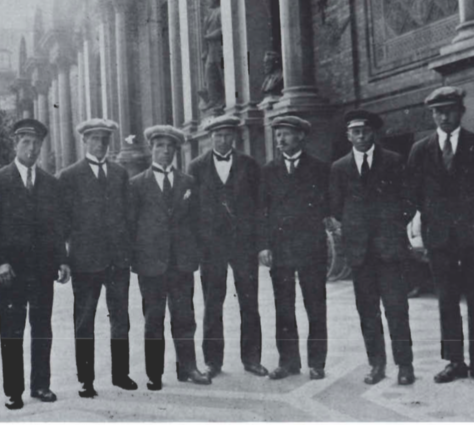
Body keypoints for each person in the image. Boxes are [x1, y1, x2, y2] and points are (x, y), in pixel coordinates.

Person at [406, 86, 474, 385]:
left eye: (449, 111)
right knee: (446, 299)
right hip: (439, 238)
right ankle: (454, 361)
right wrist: (426, 220)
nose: (444, 117)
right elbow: (411, 192)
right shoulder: (420, 150)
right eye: (438, 112)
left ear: (461, 112)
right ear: (432, 115)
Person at [0, 119, 71, 410]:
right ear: (15, 144)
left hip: (42, 270)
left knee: (42, 328)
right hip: (10, 272)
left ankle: (41, 385)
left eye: (36, 144)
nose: (31, 149)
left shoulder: (50, 183)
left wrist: (62, 260)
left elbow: (56, 227)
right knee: (12, 329)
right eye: (26, 142)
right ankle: (13, 390)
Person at [330, 109, 415, 386]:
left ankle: (405, 365)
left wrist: (393, 225)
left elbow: (408, 199)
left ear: (373, 133)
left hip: (389, 249)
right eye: (355, 132)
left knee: (396, 308)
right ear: (348, 136)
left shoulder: (393, 161)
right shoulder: (339, 167)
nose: (361, 136)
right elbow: (336, 206)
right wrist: (355, 229)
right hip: (360, 252)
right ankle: (377, 364)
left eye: (365, 131)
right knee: (368, 311)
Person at [57, 118, 137, 398]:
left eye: (104, 140)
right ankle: (86, 380)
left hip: (117, 261)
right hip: (85, 261)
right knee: (84, 320)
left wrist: (128, 252)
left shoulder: (120, 174)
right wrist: (63, 258)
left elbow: (129, 216)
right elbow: (61, 222)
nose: (100, 144)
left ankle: (121, 374)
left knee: (120, 318)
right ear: (84, 141)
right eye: (94, 139)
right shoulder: (69, 176)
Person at [187, 115, 268, 379]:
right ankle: (213, 361)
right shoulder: (196, 167)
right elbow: (191, 210)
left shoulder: (249, 165)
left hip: (244, 244)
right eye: (218, 136)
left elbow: (260, 207)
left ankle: (252, 359)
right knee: (213, 303)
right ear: (210, 138)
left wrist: (262, 244)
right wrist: (197, 245)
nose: (223, 140)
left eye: (227, 135)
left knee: (249, 301)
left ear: (234, 137)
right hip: (211, 247)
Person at [129, 125, 210, 389]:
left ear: (176, 150)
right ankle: (154, 372)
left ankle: (188, 368)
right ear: (151, 149)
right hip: (151, 263)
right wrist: (136, 259)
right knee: (153, 319)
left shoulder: (188, 182)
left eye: (170, 147)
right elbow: (131, 225)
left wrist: (194, 253)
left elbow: (197, 221)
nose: (165, 151)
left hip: (181, 262)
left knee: (185, 317)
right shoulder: (137, 184)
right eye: (160, 146)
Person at [258, 116, 329, 381]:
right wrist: (264, 245)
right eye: (278, 135)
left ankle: (317, 362)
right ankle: (288, 361)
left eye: (286, 134)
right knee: (284, 307)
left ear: (300, 136)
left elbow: (328, 204)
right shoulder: (268, 170)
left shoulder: (320, 168)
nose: (281, 140)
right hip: (281, 248)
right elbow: (261, 211)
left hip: (311, 247)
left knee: (315, 305)